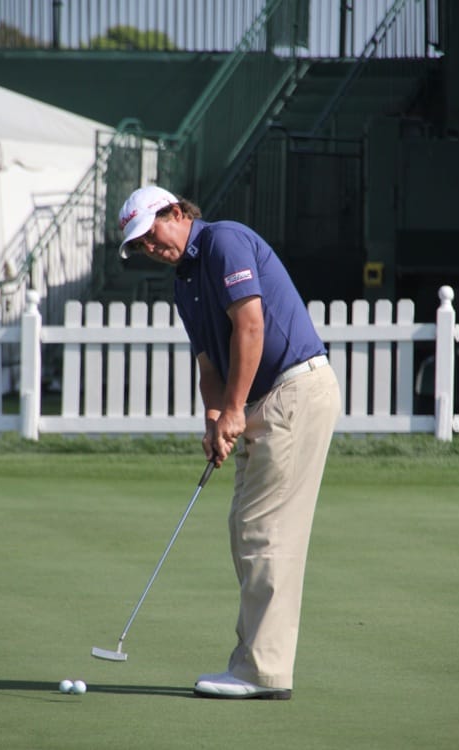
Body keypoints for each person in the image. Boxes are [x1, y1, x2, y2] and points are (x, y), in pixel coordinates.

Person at [118, 185, 341, 700]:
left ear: (177, 212)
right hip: (263, 400)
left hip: (292, 390)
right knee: (245, 527)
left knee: (264, 531)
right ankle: (253, 662)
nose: (150, 247)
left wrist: (235, 409)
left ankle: (262, 672)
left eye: (151, 233)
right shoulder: (184, 282)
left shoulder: (224, 241)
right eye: (140, 245)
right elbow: (208, 366)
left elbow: (250, 327)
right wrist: (215, 416)